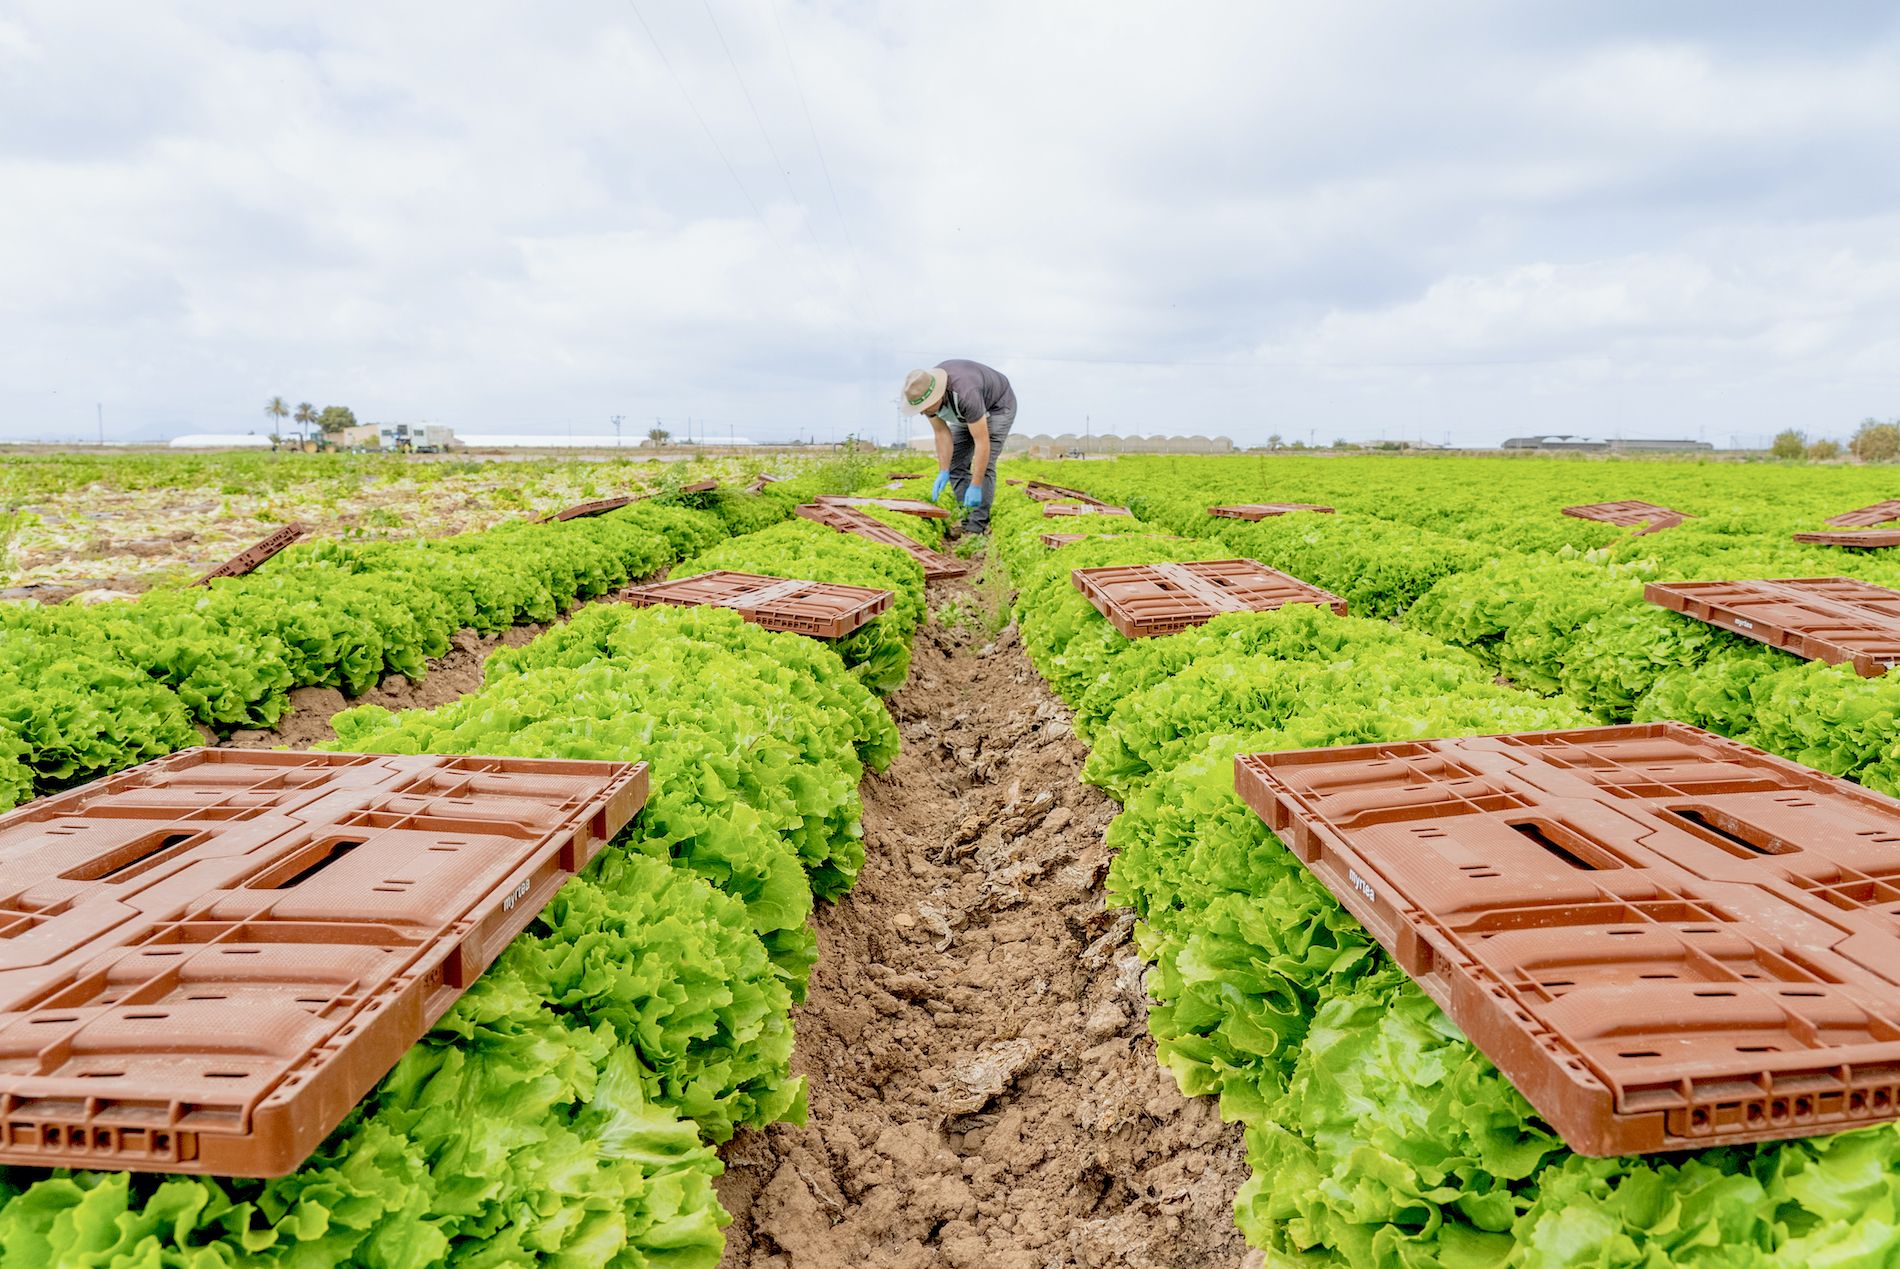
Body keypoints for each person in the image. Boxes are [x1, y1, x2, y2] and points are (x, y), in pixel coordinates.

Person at [901, 359, 1016, 535]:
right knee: (956, 464)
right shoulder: (925, 393)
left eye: (924, 408)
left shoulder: (966, 394)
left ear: (937, 396)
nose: (922, 412)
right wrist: (944, 470)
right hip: (965, 411)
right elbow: (941, 433)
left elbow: (982, 442)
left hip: (997, 406)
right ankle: (967, 516)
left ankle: (977, 526)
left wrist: (976, 485)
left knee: (985, 466)